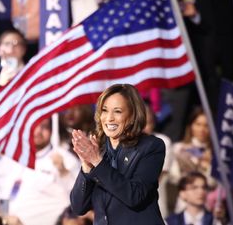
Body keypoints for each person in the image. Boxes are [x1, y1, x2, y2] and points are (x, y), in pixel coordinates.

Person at [70, 83, 166, 224]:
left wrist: (97, 162)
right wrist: (86, 167)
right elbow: (79, 207)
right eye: (104, 110)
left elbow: (135, 196)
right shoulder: (99, 149)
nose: (109, 118)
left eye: (117, 111)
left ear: (133, 115)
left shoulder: (150, 147)